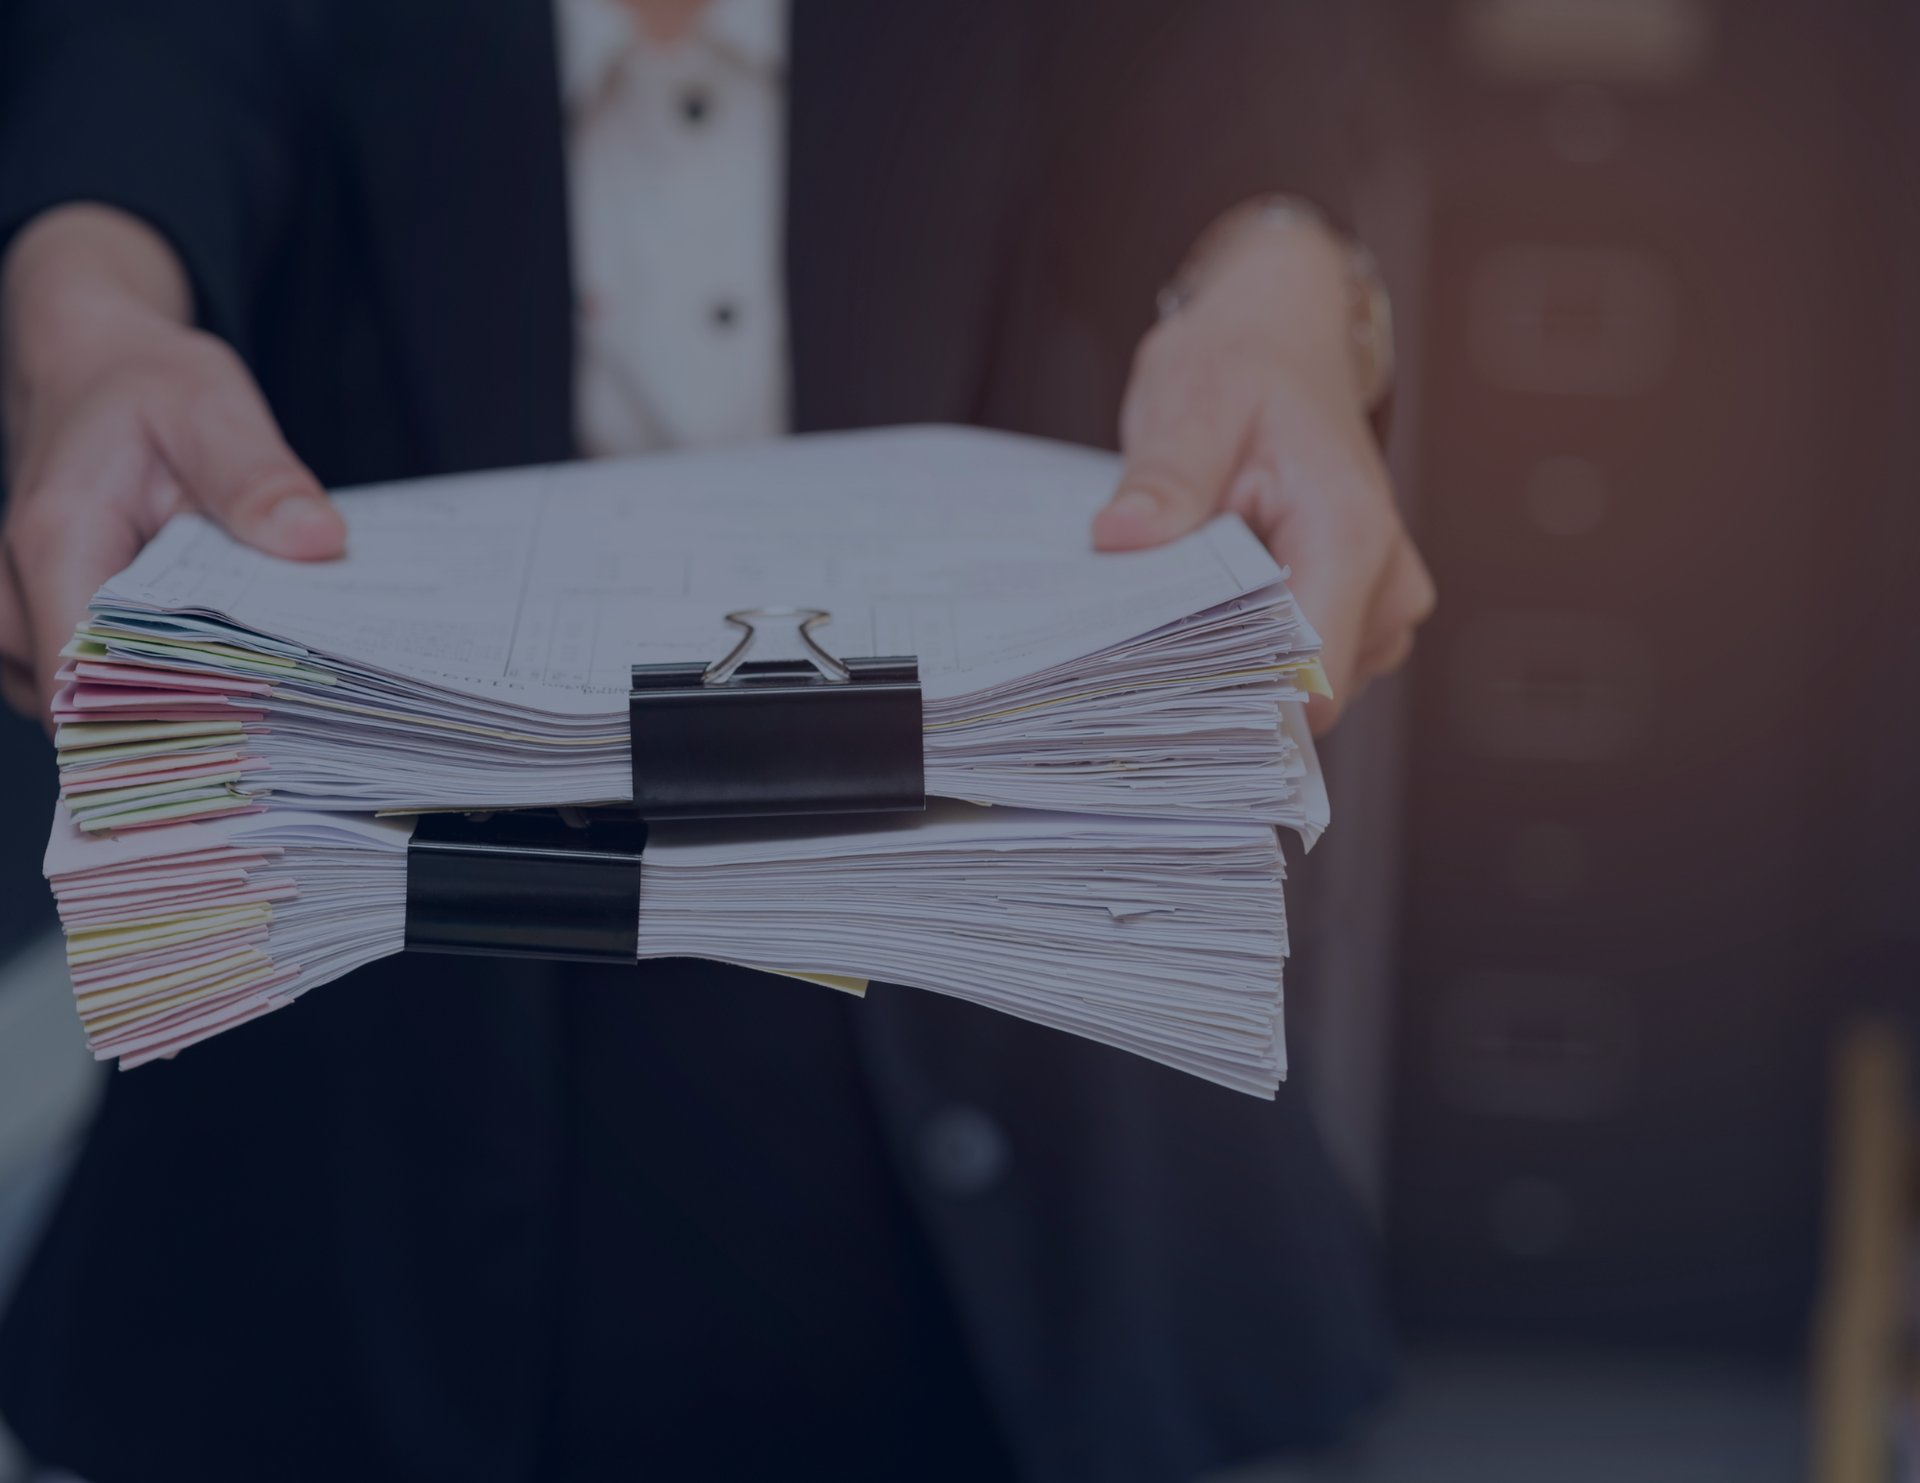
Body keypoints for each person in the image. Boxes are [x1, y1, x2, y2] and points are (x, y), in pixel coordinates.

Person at [0, 2, 1434, 1479]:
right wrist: (87, 319)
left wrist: (1283, 274)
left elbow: (1221, 60)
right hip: (379, 1079)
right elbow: (146, 58)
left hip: (996, 1064)